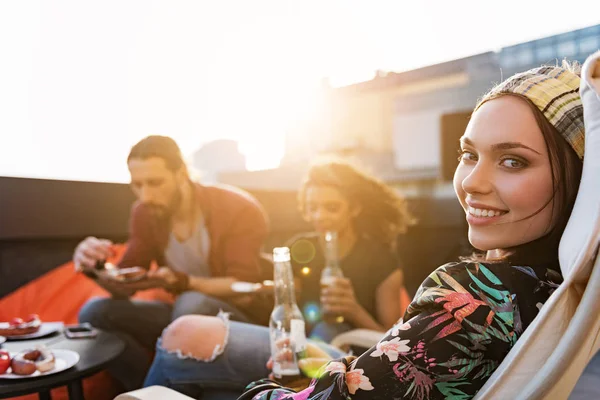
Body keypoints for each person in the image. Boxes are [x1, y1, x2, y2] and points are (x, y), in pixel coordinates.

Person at [147, 56, 590, 400]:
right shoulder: (559, 290)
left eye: (513, 161)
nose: (472, 182)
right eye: (468, 154)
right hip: (361, 364)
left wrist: (263, 389)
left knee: (182, 336)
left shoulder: (469, 297)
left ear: (581, 181)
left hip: (349, 364)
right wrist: (328, 363)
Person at [142, 160, 415, 397]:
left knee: (326, 327)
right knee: (215, 389)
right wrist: (270, 289)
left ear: (353, 209)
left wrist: (353, 309)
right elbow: (284, 307)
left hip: (341, 353)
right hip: (291, 345)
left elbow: (391, 339)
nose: (320, 217)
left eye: (331, 208)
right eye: (312, 208)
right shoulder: (299, 248)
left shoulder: (381, 259)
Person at [74, 135, 269, 391]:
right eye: (137, 185)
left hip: (238, 319)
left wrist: (181, 281)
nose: (145, 196)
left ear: (181, 173)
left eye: (155, 183)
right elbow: (126, 285)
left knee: (190, 301)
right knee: (94, 312)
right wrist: (94, 267)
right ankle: (147, 387)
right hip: (181, 314)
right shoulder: (145, 213)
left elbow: (245, 290)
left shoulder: (236, 208)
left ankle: (160, 390)